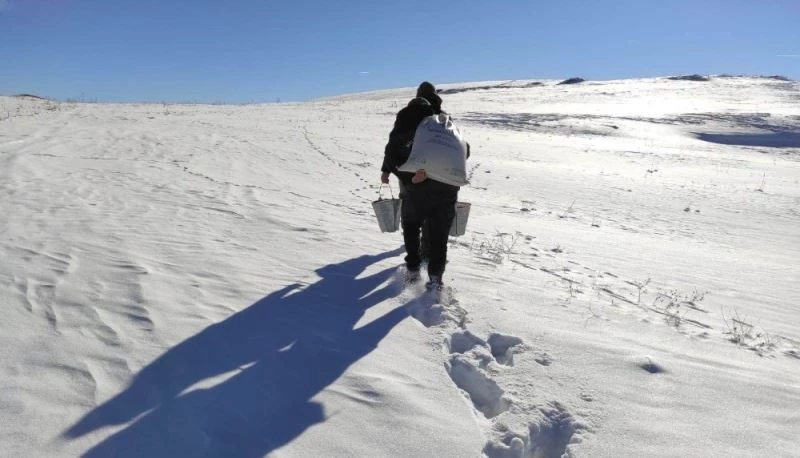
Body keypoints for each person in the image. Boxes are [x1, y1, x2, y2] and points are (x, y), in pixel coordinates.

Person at [380, 82, 468, 289]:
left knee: (411, 224)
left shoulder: (408, 116)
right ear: (435, 96)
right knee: (440, 233)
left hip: (417, 184)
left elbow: (392, 149)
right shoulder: (445, 120)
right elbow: (464, 151)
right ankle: (436, 279)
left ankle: (412, 270)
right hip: (448, 185)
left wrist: (402, 175)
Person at [380, 82, 445, 265]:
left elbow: (393, 145)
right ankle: (426, 250)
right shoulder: (440, 115)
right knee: (431, 214)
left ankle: (412, 253)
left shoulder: (405, 114)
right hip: (435, 173)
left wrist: (386, 170)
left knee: (410, 214)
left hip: (407, 172)